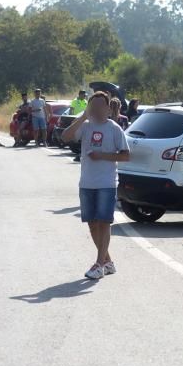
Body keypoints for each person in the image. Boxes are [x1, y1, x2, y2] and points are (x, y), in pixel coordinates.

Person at [62, 91, 130, 280]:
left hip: (106, 183)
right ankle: (107, 262)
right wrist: (83, 115)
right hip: (86, 182)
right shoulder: (85, 126)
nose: (97, 109)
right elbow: (65, 137)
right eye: (94, 105)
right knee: (92, 224)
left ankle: (99, 264)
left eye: (101, 105)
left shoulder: (114, 129)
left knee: (104, 222)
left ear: (108, 108)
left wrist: (102, 156)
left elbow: (126, 155)